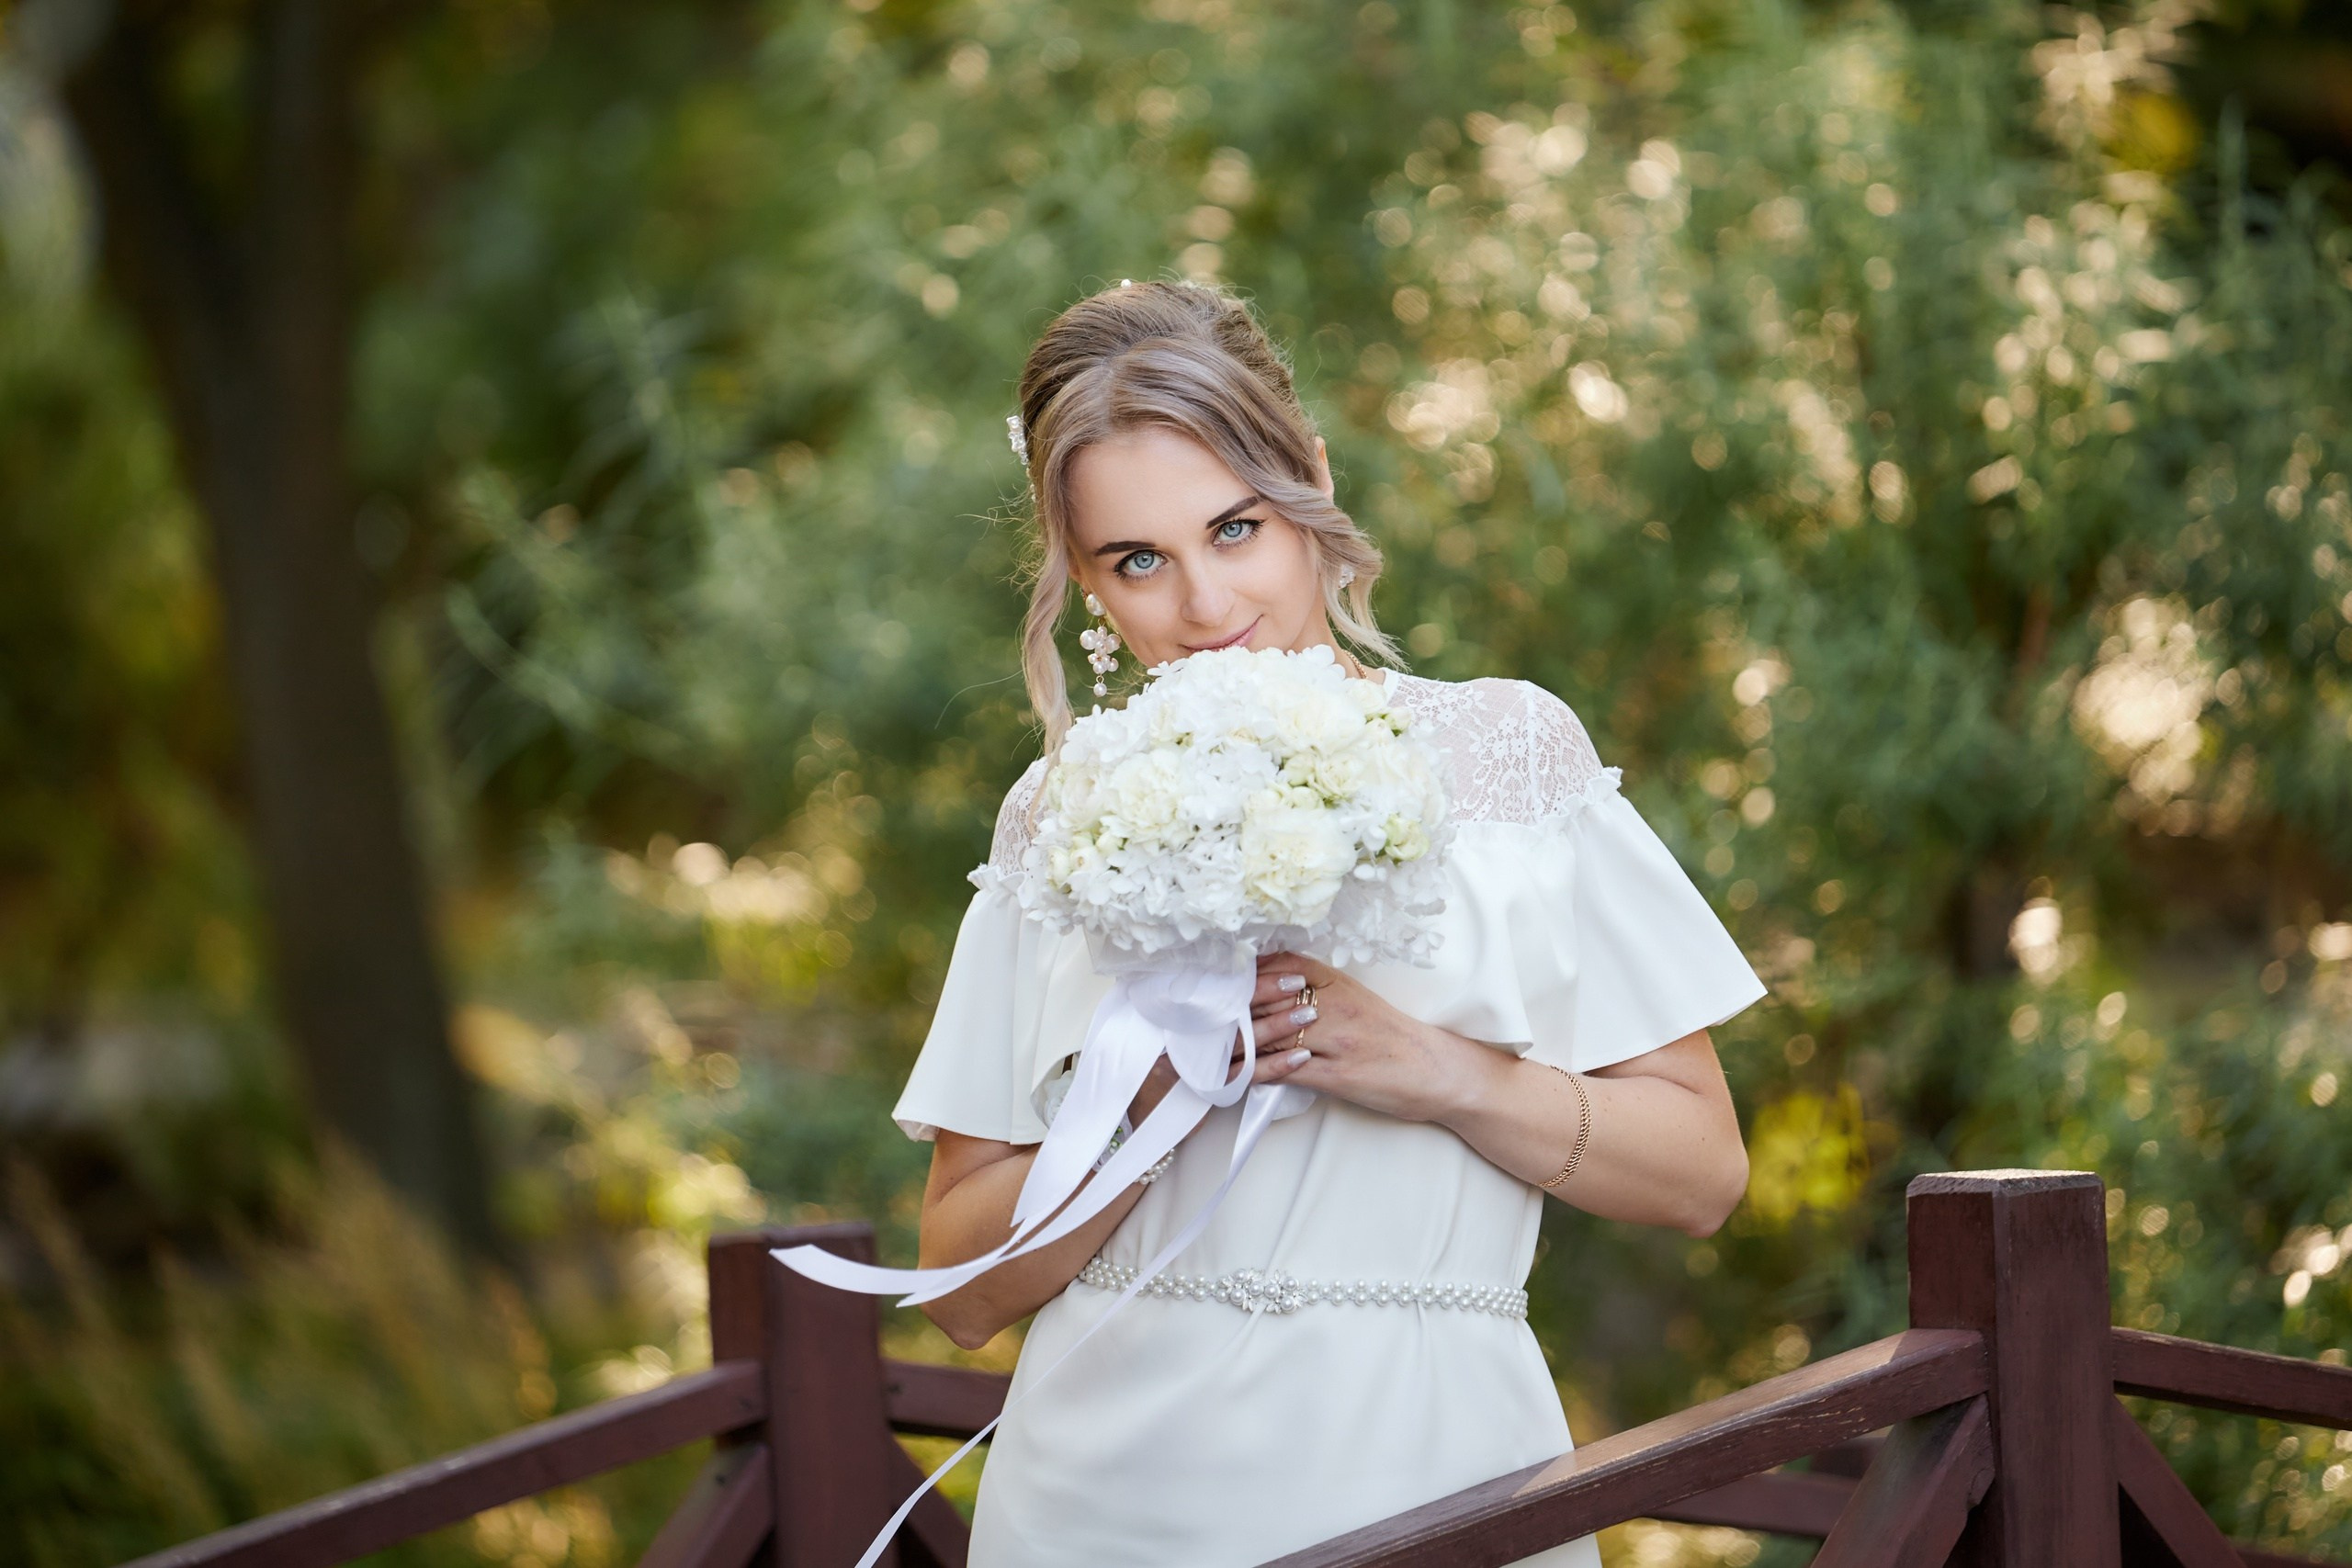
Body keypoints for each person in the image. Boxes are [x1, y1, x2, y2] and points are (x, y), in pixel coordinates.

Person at [893, 278, 1767, 1566]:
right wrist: (1142, 1099)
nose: (1203, 605)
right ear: (1084, 580)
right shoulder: (1066, 817)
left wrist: (1443, 1072)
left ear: (1310, 478)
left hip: (1440, 1478)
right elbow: (965, 1291)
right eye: (1138, 560)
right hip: (1107, 1500)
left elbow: (1703, 1175)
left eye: (1235, 528)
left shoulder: (1512, 757)